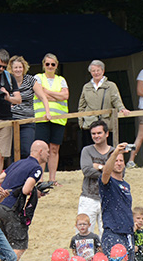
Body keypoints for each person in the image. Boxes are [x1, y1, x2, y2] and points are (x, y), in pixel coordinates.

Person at [0, 140, 50, 261]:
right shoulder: (36, 168)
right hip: (10, 208)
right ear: (40, 151)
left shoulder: (18, 163)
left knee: (3, 244)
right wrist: (35, 192)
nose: (48, 155)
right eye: (47, 151)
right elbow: (26, 189)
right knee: (20, 245)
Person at [33, 53, 70, 183]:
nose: (50, 66)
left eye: (52, 64)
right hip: (41, 118)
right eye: (47, 64)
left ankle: (52, 179)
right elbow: (39, 94)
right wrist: (57, 95)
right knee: (41, 149)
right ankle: (40, 179)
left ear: (56, 65)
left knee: (54, 149)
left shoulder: (61, 79)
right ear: (43, 65)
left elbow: (65, 96)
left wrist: (47, 92)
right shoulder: (38, 77)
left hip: (58, 118)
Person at [77, 59, 129, 145]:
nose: (96, 73)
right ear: (90, 72)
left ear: (103, 71)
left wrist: (122, 109)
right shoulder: (86, 87)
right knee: (90, 148)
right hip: (89, 123)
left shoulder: (111, 86)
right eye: (93, 71)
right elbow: (81, 106)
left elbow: (116, 100)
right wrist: (81, 123)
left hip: (106, 123)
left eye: (98, 70)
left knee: (107, 148)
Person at [99, 142, 135, 260]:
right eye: (116, 161)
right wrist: (115, 153)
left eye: (121, 161)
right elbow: (106, 172)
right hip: (113, 232)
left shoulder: (126, 185)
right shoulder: (107, 182)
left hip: (128, 232)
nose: (118, 163)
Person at [78, 120, 113, 234]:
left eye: (99, 133)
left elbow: (119, 174)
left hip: (108, 198)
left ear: (106, 134)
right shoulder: (87, 150)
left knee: (108, 235)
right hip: (88, 198)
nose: (96, 136)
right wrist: (107, 170)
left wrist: (98, 166)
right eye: (93, 133)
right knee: (84, 235)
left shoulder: (114, 152)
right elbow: (87, 171)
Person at [10, 55, 44, 160]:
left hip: (27, 120)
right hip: (11, 120)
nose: (18, 70)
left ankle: (25, 169)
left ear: (24, 68)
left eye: (20, 67)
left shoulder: (30, 80)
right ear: (11, 69)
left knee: (26, 150)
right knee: (12, 151)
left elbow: (43, 97)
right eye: (15, 67)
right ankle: (14, 170)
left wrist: (47, 112)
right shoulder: (7, 80)